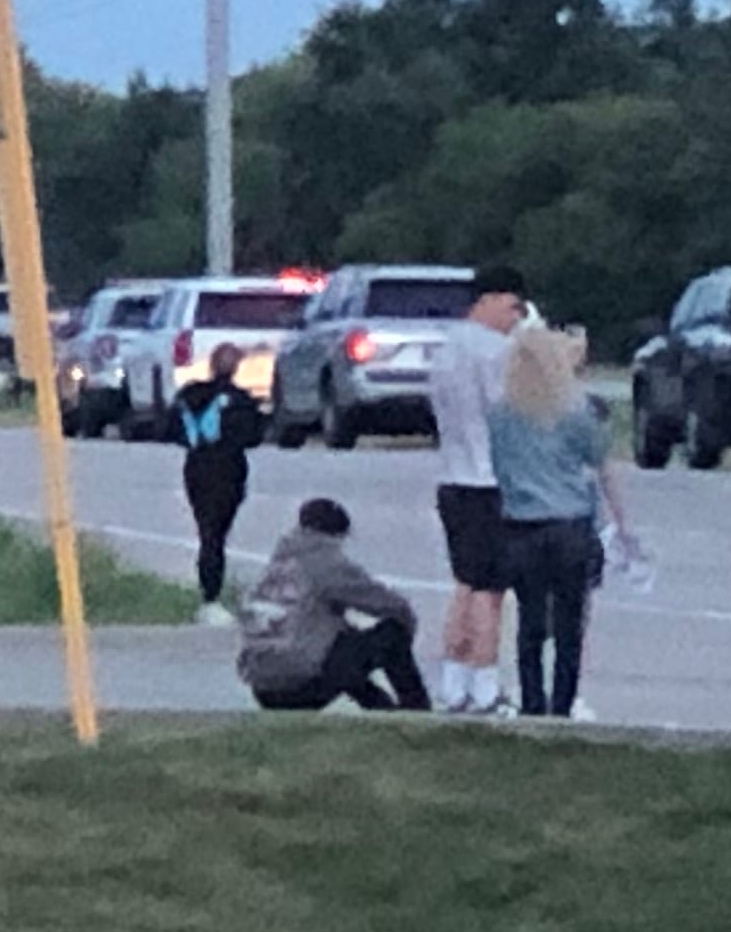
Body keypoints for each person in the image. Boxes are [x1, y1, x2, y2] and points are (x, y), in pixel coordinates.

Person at [489, 320, 642, 722]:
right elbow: (602, 467)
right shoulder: (574, 412)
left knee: (530, 622)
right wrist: (623, 526)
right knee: (571, 624)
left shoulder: (501, 414)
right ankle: (563, 703)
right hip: (570, 525)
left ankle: (532, 703)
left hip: (522, 526)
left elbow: (499, 470)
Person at [428, 266, 528, 712]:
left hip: (453, 477)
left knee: (465, 584)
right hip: (491, 481)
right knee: (491, 590)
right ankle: (486, 685)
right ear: (487, 300)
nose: (516, 318)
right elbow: (510, 413)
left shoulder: (446, 347)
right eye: (513, 307)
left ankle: (454, 682)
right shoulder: (499, 352)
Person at [234, 497, 433, 713]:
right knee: (392, 634)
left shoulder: (275, 565)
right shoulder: (325, 561)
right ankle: (418, 710)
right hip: (300, 685)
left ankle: (381, 707)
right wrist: (408, 625)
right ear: (336, 534)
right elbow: (386, 603)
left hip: (263, 688)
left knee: (342, 644)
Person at [170, 340, 269, 621]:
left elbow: (170, 428)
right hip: (229, 469)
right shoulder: (240, 399)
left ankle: (209, 593)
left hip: (196, 468)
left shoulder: (189, 395)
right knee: (217, 533)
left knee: (207, 530)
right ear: (237, 366)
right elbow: (253, 437)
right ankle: (211, 594)